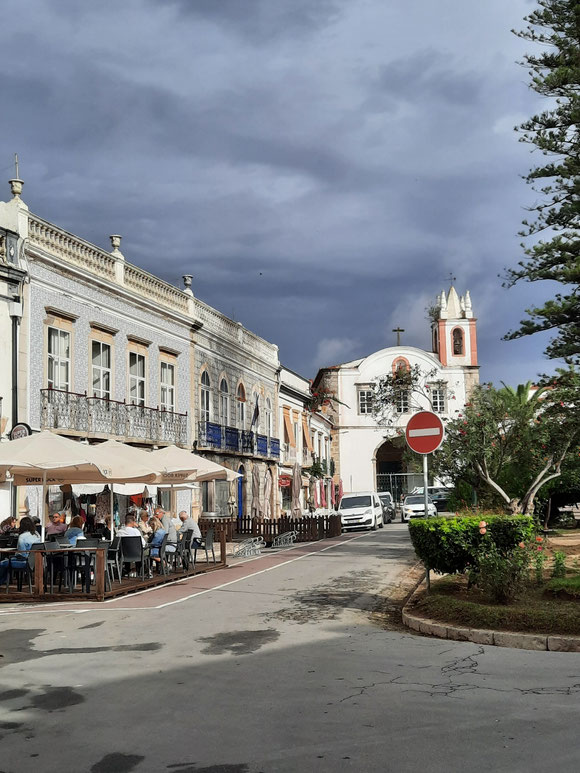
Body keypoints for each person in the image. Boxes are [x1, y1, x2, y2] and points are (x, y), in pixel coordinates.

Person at [0, 516, 41, 585]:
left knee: (2, 563)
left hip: (25, 562)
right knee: (8, 561)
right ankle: (3, 581)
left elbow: (22, 554)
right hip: (36, 561)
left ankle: (3, 581)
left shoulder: (22, 537)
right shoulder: (37, 534)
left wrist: (14, 554)